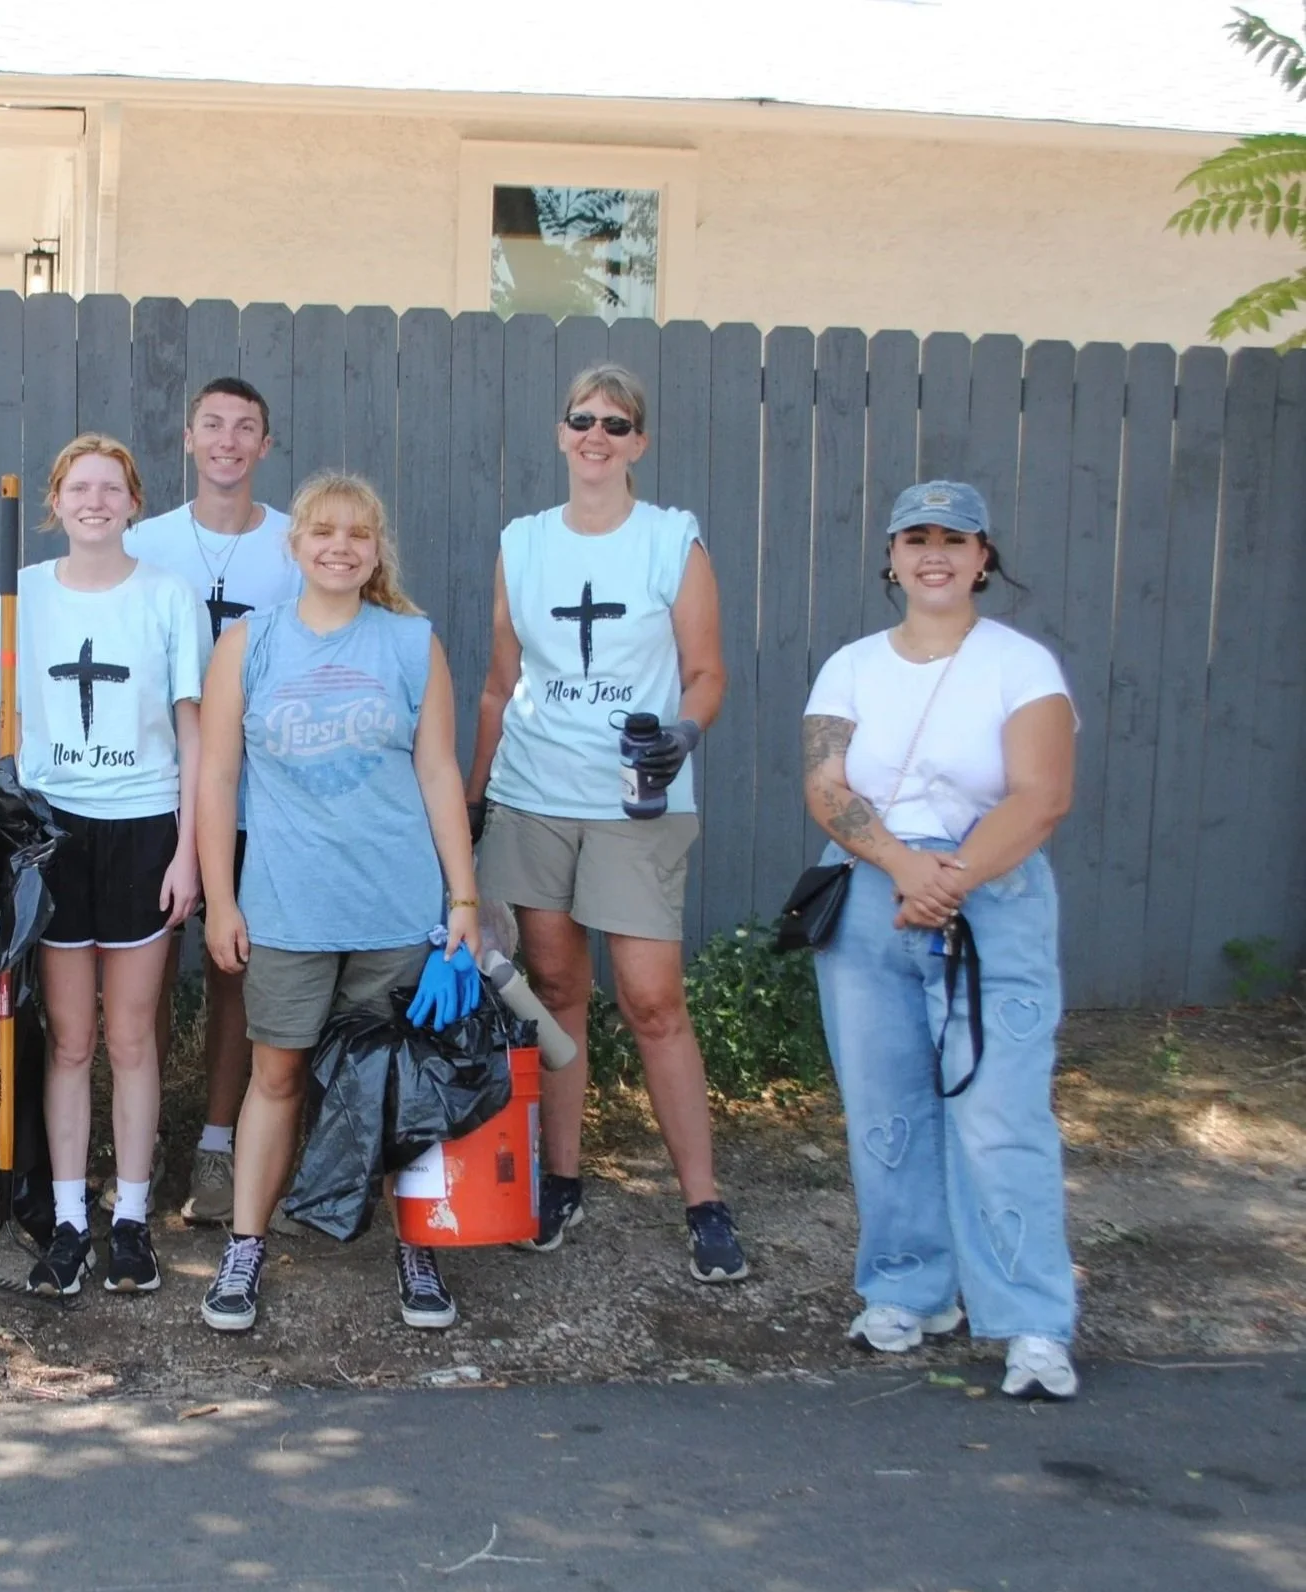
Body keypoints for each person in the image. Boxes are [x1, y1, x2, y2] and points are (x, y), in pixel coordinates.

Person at [466, 363, 747, 1283]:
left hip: (635, 800)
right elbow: (500, 686)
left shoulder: (670, 541)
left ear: (639, 442)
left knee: (653, 999)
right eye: (582, 418)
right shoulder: (523, 544)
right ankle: (562, 1179)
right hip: (535, 794)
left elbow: (706, 673)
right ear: (561, 433)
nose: (596, 435)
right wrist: (474, 798)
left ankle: (703, 1200)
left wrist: (683, 735)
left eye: (616, 423)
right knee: (553, 989)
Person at [802, 480, 1079, 1400]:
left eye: (955, 540)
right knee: (885, 1112)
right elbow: (827, 786)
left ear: (983, 557)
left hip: (990, 896)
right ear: (890, 556)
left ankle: (1032, 1320)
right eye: (916, 537)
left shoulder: (1021, 666)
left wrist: (948, 880)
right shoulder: (850, 668)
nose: (935, 554)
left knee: (999, 1116)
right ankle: (907, 1289)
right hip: (874, 895)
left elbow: (1040, 795)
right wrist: (901, 866)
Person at [194, 474, 482, 1333]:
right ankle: (245, 1247)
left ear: (376, 548)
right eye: (324, 531)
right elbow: (215, 777)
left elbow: (439, 772)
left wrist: (464, 896)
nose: (340, 548)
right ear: (296, 545)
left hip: (395, 906)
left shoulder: (410, 643)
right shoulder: (249, 644)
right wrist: (220, 900)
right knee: (276, 1075)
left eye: (359, 534)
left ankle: (418, 1247)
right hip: (287, 908)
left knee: (398, 1085)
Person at [0, 434, 207, 1297]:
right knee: (71, 1040)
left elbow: (193, 734)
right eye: (80, 488)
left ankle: (133, 1220)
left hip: (144, 826)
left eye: (113, 488)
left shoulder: (168, 595)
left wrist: (188, 852)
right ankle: (70, 1221)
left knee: (131, 1037)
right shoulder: (22, 594)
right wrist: (13, 846)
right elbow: (8, 731)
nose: (96, 501)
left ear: (135, 502)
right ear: (56, 501)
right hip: (55, 834)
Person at [124, 376, 299, 1227]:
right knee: (146, 973)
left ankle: (220, 1145)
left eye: (245, 427)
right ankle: (146, 1139)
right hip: (154, 788)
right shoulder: (144, 542)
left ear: (266, 445)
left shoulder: (296, 545)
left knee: (238, 968)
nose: (228, 441)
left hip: (258, 793)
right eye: (213, 425)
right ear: (188, 438)